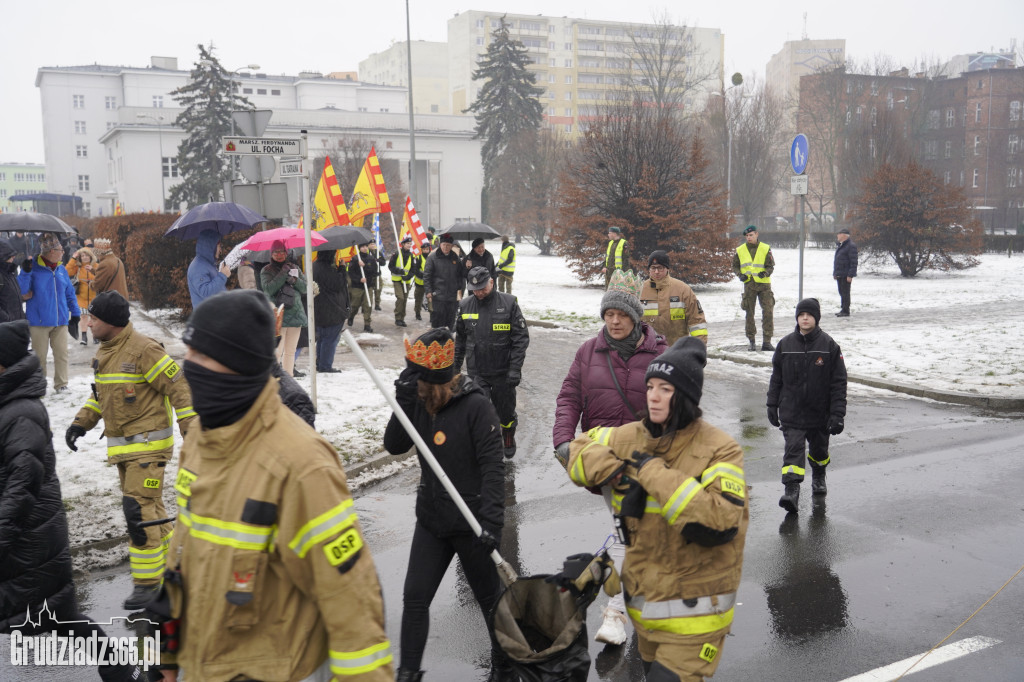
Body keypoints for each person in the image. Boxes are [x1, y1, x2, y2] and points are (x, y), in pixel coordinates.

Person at [151, 289, 393, 681]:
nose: (187, 368)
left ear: (238, 364)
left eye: (201, 357)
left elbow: (352, 606)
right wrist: (166, 656)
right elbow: (185, 555)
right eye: (187, 354)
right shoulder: (200, 439)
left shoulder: (302, 466)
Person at [565, 337, 748, 681]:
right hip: (646, 617)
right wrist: (611, 468)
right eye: (650, 386)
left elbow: (721, 518)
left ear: (686, 396)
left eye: (665, 388)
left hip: (697, 620)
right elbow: (577, 448)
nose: (653, 395)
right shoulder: (631, 436)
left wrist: (650, 472)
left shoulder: (720, 449)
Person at [0, 320, 141, 682]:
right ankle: (123, 672)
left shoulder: (21, 414)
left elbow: (22, 484)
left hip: (29, 540)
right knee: (60, 617)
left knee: (60, 617)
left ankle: (125, 672)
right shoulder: (10, 406)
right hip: (29, 536)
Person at [383, 328, 507, 682]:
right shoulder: (417, 401)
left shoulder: (476, 406)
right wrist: (403, 401)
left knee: (491, 602)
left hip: (471, 523)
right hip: (432, 520)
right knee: (415, 597)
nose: (419, 391)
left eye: (421, 387)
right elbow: (394, 445)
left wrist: (492, 523)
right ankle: (408, 672)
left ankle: (504, 667)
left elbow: (493, 467)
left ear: (440, 383)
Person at [553, 271, 666, 647]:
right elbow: (569, 397)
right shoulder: (588, 352)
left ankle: (605, 583)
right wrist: (563, 443)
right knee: (628, 529)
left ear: (636, 317)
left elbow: (677, 406)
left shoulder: (659, 354)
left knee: (637, 532)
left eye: (621, 315)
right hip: (606, 461)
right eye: (608, 314)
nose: (614, 321)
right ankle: (616, 612)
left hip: (647, 460)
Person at [64, 291, 196, 609]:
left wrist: (191, 430)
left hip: (149, 450)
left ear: (110, 322)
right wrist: (80, 424)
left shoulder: (144, 350)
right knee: (152, 512)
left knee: (137, 512)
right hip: (126, 451)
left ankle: (148, 586)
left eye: (93, 318)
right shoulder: (106, 353)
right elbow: (101, 395)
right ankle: (177, 565)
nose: (88, 322)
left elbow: (178, 385)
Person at [767, 298, 848, 514]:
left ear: (816, 318)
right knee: (793, 451)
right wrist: (771, 405)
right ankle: (791, 491)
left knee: (819, 451)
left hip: (819, 414)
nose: (805, 318)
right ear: (797, 317)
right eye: (801, 314)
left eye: (809, 315)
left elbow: (838, 383)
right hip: (792, 412)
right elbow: (776, 379)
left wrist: (837, 414)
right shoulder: (785, 345)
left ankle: (819, 476)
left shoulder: (829, 346)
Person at [455, 266, 530, 458]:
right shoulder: (465, 306)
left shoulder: (509, 303)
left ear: (491, 282)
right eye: (475, 289)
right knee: (479, 411)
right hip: (477, 371)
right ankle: (484, 446)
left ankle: (507, 434)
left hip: (503, 372)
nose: (479, 293)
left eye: (482, 288)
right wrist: (455, 369)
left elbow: (520, 339)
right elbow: (460, 341)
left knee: (505, 411)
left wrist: (515, 369)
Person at [17, 233, 80, 393]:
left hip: (61, 321)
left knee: (62, 354)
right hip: (39, 322)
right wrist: (25, 272)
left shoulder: (61, 269)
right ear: (51, 251)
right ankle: (39, 385)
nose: (63, 252)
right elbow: (22, 291)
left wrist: (76, 313)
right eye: (60, 249)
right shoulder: (33, 268)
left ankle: (62, 384)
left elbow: (70, 293)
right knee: (39, 357)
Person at [639, 250, 709, 347]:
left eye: (660, 268)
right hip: (648, 351)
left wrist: (698, 349)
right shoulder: (640, 291)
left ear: (667, 268)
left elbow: (697, 323)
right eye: (653, 268)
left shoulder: (683, 290)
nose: (656, 272)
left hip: (677, 351)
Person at [261, 240, 308, 376]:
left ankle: (289, 380)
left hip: (295, 313)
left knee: (290, 351)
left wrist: (294, 280)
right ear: (271, 254)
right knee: (277, 351)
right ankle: (275, 381)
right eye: (275, 252)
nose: (279, 255)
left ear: (286, 253)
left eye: (282, 251)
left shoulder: (294, 268)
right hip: (278, 314)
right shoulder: (266, 270)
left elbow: (305, 288)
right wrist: (283, 274)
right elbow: (268, 289)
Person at [732, 225, 775, 352]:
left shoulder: (765, 248)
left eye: (751, 235)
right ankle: (752, 341)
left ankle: (767, 342)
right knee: (749, 313)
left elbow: (770, 266)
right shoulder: (740, 250)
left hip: (764, 286)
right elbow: (735, 266)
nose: (748, 238)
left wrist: (766, 273)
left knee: (768, 312)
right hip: (749, 285)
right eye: (747, 236)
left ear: (757, 234)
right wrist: (740, 275)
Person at [312, 249, 349, 373]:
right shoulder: (326, 269)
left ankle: (320, 362)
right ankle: (325, 366)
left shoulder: (314, 266)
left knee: (322, 338)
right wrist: (342, 269)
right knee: (330, 339)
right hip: (332, 309)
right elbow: (338, 284)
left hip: (319, 308)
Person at [424, 233, 464, 330]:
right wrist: (429, 291)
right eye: (444, 245)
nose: (446, 247)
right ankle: (436, 342)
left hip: (452, 297)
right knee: (438, 322)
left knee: (450, 322)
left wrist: (459, 292)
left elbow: (460, 277)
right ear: (440, 245)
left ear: (451, 246)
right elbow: (427, 276)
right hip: (438, 296)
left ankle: (448, 343)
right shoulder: (432, 258)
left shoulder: (456, 258)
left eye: (448, 245)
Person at [187, 228, 231, 309]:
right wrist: (222, 275)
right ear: (211, 246)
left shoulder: (207, 264)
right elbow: (206, 292)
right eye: (219, 246)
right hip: (207, 319)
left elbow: (217, 289)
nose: (220, 250)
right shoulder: (197, 267)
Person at [65, 245, 97, 344]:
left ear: (91, 256)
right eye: (82, 256)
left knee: (94, 317)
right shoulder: (77, 267)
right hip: (81, 297)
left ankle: (95, 336)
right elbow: (67, 270)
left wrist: (93, 270)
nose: (84, 257)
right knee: (83, 316)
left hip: (94, 297)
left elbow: (102, 277)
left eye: (86, 255)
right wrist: (73, 258)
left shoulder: (96, 266)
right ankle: (84, 337)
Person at [348, 242, 378, 333]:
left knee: (368, 304)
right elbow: (351, 273)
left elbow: (374, 271)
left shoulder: (371, 259)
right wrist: (359, 279)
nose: (365, 248)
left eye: (366, 246)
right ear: (359, 248)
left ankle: (367, 324)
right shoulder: (355, 259)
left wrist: (364, 267)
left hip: (368, 286)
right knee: (355, 304)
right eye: (362, 247)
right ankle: (351, 316)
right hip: (357, 286)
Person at [389, 236, 416, 327]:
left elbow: (413, 269)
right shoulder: (396, 254)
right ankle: (397, 317)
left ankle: (402, 318)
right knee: (400, 298)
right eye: (408, 244)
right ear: (403, 244)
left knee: (404, 299)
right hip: (397, 280)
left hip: (406, 281)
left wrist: (408, 277)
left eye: (410, 244)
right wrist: (400, 271)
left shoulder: (411, 256)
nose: (409, 245)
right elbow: (390, 266)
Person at [833, 228, 858, 317]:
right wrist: (835, 273)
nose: (837, 236)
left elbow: (853, 261)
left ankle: (846, 310)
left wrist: (850, 275)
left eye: (839, 234)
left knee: (845, 292)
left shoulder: (851, 246)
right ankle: (843, 308)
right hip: (840, 273)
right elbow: (837, 260)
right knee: (841, 291)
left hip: (846, 274)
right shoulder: (841, 246)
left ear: (844, 235)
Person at [0, 240, 25, 322]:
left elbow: (9, 297)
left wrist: (22, 298)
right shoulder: (2, 275)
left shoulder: (10, 272)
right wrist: (7, 319)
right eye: (10, 256)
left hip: (17, 324)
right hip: (7, 328)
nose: (13, 258)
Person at [412, 241, 431, 321]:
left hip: (429, 284)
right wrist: (424, 276)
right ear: (422, 250)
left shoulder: (432, 258)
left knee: (430, 300)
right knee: (418, 299)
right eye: (424, 249)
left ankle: (432, 315)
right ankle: (417, 313)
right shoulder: (418, 258)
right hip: (419, 283)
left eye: (427, 249)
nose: (426, 251)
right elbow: (416, 270)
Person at [368, 241, 385, 311]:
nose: (373, 245)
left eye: (374, 244)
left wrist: (378, 260)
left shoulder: (378, 253)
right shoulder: (366, 252)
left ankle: (377, 304)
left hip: (377, 274)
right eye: (371, 244)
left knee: (378, 289)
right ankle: (367, 305)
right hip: (369, 275)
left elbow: (383, 263)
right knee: (369, 291)